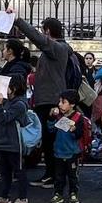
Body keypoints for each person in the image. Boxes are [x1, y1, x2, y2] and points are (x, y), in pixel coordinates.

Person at [10, 14, 76, 188]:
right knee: (48, 139)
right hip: (47, 99)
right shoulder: (57, 49)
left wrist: (18, 20)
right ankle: (52, 173)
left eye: (43, 30)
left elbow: (37, 38)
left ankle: (54, 175)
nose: (41, 33)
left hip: (51, 100)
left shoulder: (58, 48)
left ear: (47, 31)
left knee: (51, 139)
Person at [0, 73, 31, 203]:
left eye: (7, 86)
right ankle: (4, 197)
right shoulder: (7, 102)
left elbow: (5, 118)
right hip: (2, 141)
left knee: (19, 171)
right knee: (5, 172)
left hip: (14, 143)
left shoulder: (19, 104)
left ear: (15, 88)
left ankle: (23, 199)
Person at [49, 90, 91, 203]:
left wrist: (74, 130)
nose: (60, 104)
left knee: (73, 175)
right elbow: (51, 130)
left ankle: (73, 193)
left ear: (72, 104)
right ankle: (58, 193)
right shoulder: (58, 116)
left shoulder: (78, 117)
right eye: (60, 101)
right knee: (58, 175)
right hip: (58, 151)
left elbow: (79, 134)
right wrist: (52, 118)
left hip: (72, 152)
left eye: (63, 102)